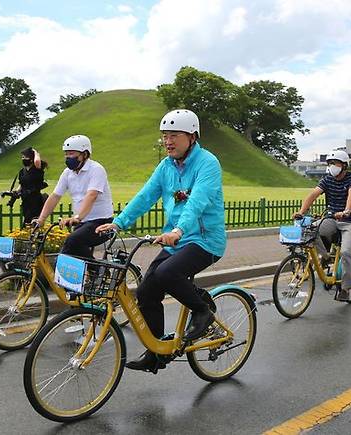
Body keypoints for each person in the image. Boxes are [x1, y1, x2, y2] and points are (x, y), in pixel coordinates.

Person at [96, 109, 225, 374]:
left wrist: (178, 230)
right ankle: (156, 352)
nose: (168, 141)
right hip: (176, 240)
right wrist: (118, 223)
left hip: (204, 239)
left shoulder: (207, 163)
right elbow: (145, 196)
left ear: (191, 136)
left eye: (174, 135)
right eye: (165, 136)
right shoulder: (166, 165)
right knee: (145, 291)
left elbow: (197, 202)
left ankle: (203, 312)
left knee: (167, 273)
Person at [293, 150, 351, 302]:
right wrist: (301, 212)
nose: (332, 166)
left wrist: (346, 211)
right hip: (331, 219)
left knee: (345, 252)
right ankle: (325, 258)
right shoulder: (327, 179)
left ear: (344, 165)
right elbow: (313, 194)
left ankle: (345, 288)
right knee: (310, 230)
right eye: (330, 164)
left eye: (335, 163)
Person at [34, 135, 114, 259]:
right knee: (70, 254)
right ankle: (88, 274)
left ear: (85, 154)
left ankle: (98, 271)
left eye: (71, 154)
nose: (67, 157)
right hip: (82, 223)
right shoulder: (67, 173)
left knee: (72, 242)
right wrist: (41, 219)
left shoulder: (96, 170)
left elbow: (91, 195)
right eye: (66, 154)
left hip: (101, 222)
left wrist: (77, 217)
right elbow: (55, 196)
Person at [16, 147, 48, 224]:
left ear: (31, 159)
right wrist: (15, 192)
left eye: (25, 157)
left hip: (35, 200)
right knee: (26, 220)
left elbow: (37, 161)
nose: (23, 159)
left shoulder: (37, 169)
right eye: (22, 157)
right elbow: (21, 185)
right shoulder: (22, 171)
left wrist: (36, 152)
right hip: (26, 200)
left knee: (34, 221)